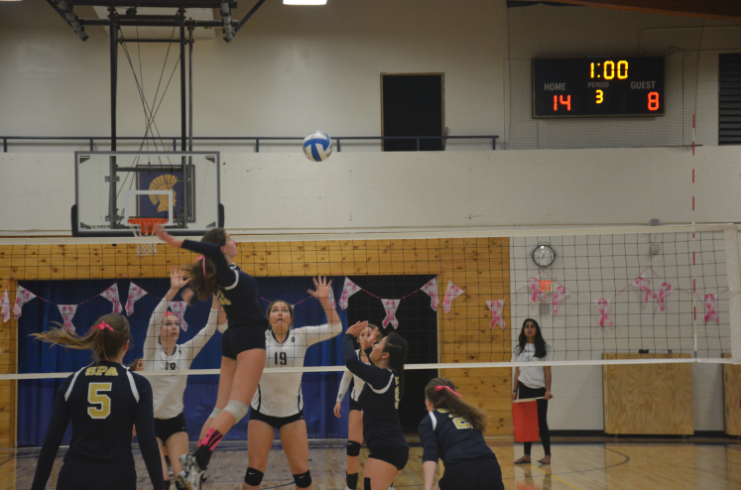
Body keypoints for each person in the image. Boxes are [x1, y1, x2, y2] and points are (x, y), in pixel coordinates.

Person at [155, 226, 270, 490]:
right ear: (221, 248)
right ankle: (199, 459)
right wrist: (173, 240)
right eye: (230, 238)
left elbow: (208, 260)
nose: (235, 241)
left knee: (220, 408)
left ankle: (193, 463)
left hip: (232, 338)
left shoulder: (223, 276)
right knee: (238, 408)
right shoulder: (227, 274)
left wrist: (192, 295)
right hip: (249, 338)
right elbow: (207, 249)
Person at [30, 314, 163, 490]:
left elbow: (51, 441)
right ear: (125, 345)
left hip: (74, 478)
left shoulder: (72, 382)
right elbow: (147, 443)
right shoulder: (138, 385)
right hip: (118, 478)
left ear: (95, 343)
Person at [242, 277, 342, 490]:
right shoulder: (258, 337)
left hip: (292, 414)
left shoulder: (302, 336)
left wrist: (325, 300)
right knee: (254, 473)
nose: (279, 313)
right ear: (268, 318)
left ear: (290, 317)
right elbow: (227, 329)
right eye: (275, 310)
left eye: (284, 310)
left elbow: (336, 327)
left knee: (302, 475)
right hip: (262, 412)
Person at [143, 266, 226, 490]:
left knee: (184, 483)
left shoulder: (186, 352)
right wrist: (172, 291)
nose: (173, 328)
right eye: (168, 324)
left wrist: (217, 296)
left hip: (175, 422)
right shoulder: (150, 352)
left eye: (176, 324)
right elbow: (153, 319)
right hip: (150, 423)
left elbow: (209, 329)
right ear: (159, 331)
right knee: (162, 482)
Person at [343, 322, 408, 490]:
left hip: (385, 449)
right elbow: (371, 368)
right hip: (392, 447)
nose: (374, 344)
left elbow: (351, 361)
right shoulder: (389, 375)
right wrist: (366, 349)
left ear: (385, 355)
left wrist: (349, 335)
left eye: (378, 343)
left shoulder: (380, 376)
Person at [418, 378, 504, 490]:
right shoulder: (468, 413)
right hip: (490, 467)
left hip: (461, 469)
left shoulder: (430, 420)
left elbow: (430, 455)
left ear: (428, 402)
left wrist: (427, 488)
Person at [334, 323, 383, 490]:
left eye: (368, 334)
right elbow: (346, 378)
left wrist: (369, 404)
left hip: (376, 403)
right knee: (353, 444)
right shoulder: (353, 356)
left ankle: (386, 484)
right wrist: (339, 400)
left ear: (375, 337)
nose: (364, 337)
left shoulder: (379, 357)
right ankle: (350, 487)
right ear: (357, 339)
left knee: (379, 446)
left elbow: (380, 382)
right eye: (361, 335)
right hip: (357, 401)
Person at [512, 318, 553, 465]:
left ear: (537, 330)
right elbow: (517, 371)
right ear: (523, 330)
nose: (529, 329)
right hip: (524, 388)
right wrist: (514, 390)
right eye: (526, 327)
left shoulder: (545, 348)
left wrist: (548, 391)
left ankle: (547, 455)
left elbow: (547, 370)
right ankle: (526, 455)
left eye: (532, 326)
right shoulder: (519, 349)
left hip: (540, 390)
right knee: (526, 424)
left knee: (542, 422)